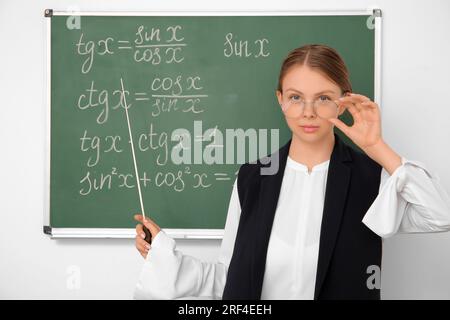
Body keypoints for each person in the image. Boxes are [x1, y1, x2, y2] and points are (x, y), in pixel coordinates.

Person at [133, 44, 450, 300]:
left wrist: (377, 147)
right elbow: (229, 278)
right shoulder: (252, 179)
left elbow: (440, 215)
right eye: (296, 97)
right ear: (280, 100)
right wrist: (163, 256)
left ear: (342, 103)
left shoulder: (371, 179)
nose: (308, 111)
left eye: (323, 98)